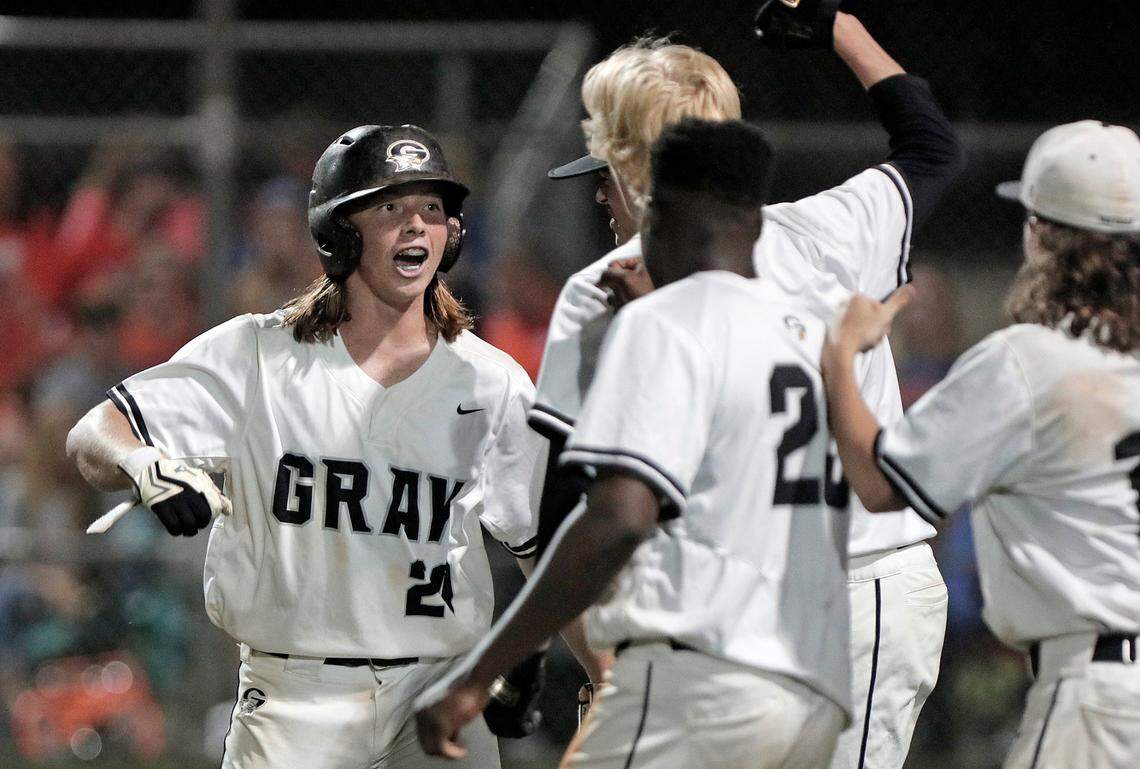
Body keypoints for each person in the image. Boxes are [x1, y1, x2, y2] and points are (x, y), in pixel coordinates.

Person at [66, 124, 600, 768]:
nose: (416, 227)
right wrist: (143, 463)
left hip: (436, 693)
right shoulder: (254, 356)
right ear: (338, 231)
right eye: (391, 208)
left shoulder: (491, 381)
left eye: (432, 209)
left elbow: (552, 543)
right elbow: (94, 433)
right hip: (296, 700)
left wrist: (606, 678)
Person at [535, 12, 963, 768]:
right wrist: (842, 29)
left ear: (634, 163)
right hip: (823, 602)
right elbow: (931, 145)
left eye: (603, 159)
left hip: (836, 587)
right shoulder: (834, 228)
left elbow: (570, 502)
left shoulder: (609, 286)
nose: (598, 186)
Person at [417, 117, 851, 769]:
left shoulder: (661, 322)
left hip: (702, 683)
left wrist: (484, 669)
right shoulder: (808, 333)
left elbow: (618, 518)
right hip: (813, 686)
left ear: (662, 213)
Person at [819, 119, 1140, 769]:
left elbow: (884, 484)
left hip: (1100, 697)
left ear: (1041, 232)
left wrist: (840, 358)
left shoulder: (1028, 361)